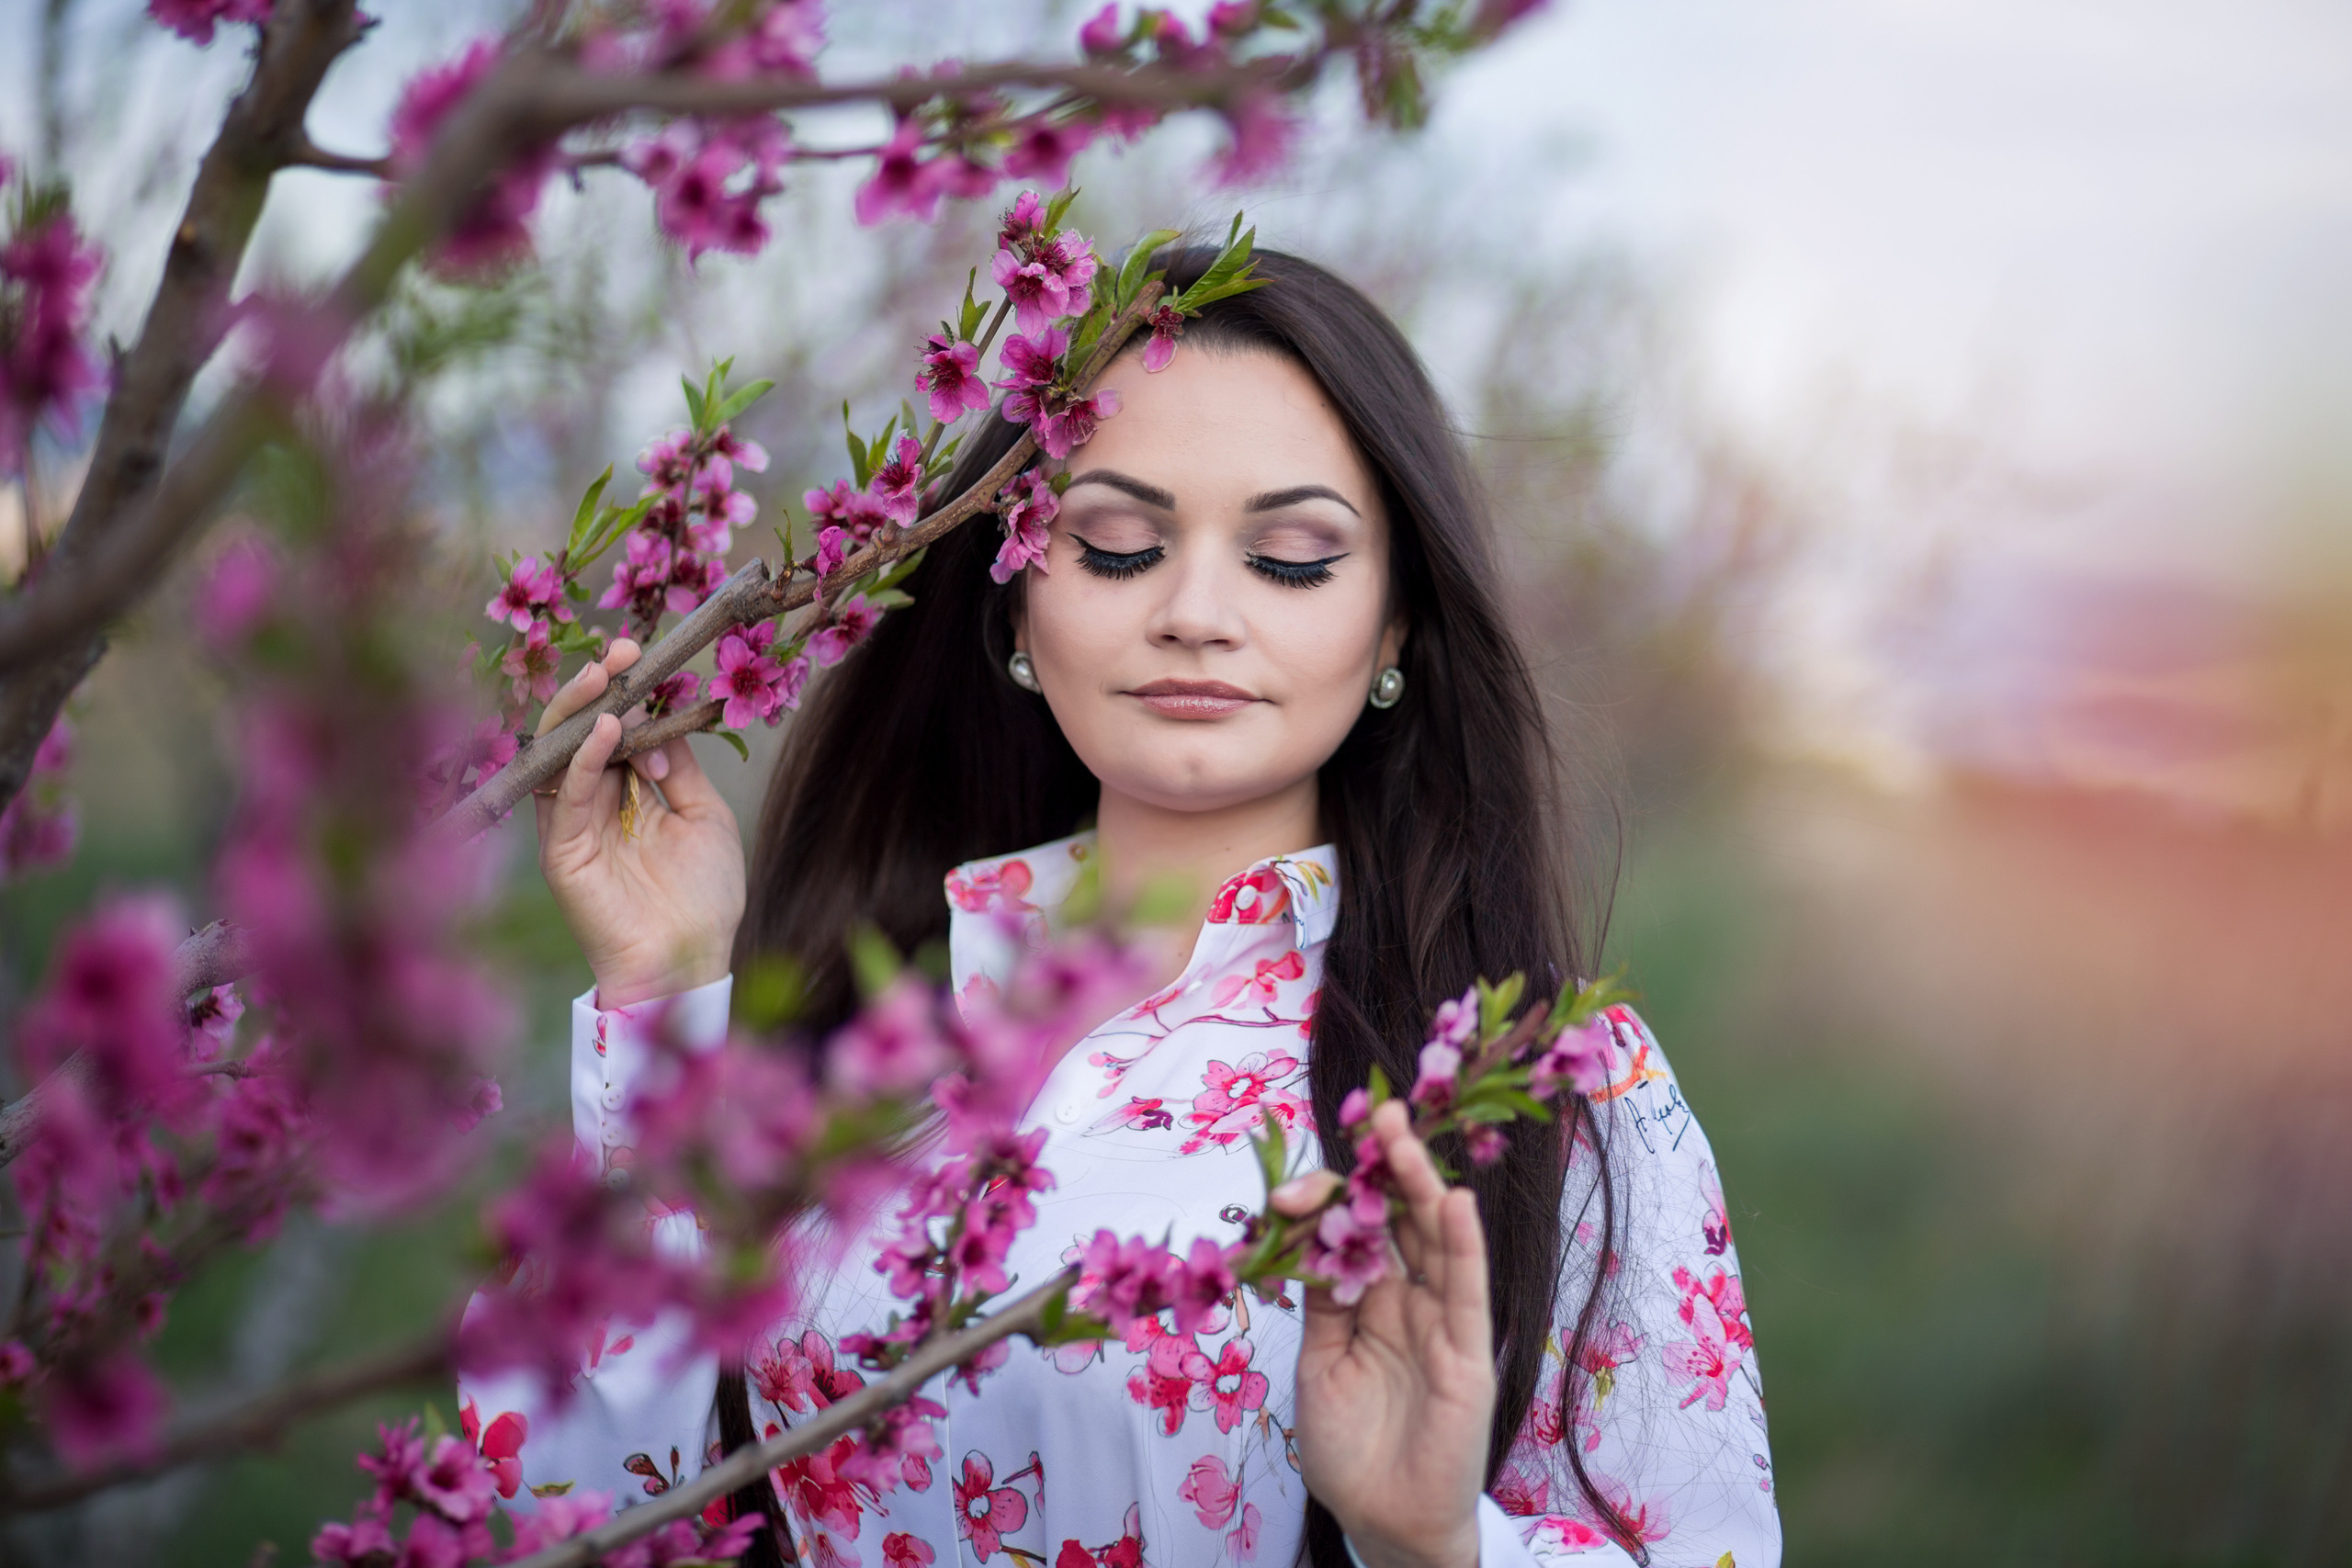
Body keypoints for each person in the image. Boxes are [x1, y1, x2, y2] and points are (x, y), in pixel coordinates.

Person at [458, 249, 1781, 1568]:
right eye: (1119, 544)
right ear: (1020, 598)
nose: (1195, 613)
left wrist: (1435, 1544)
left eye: (1295, 559)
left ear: (1394, 631)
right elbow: (562, 1522)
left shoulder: (1543, 1083)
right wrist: (662, 988)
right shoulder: (867, 1023)